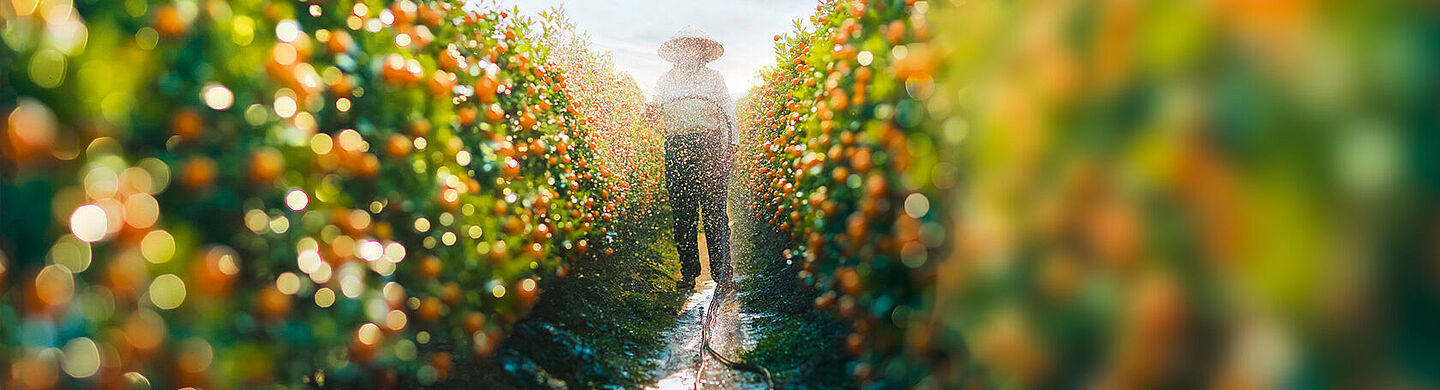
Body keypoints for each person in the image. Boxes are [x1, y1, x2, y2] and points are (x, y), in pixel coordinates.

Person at [647, 26, 738, 291]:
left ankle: (723, 276)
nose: (689, 51)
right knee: (683, 213)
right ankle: (688, 275)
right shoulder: (666, 80)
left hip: (709, 146)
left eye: (694, 46)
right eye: (684, 46)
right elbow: (654, 103)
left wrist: (731, 146)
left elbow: (728, 113)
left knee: (715, 213)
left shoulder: (715, 78)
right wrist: (651, 109)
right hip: (677, 146)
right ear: (677, 51)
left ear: (701, 51)